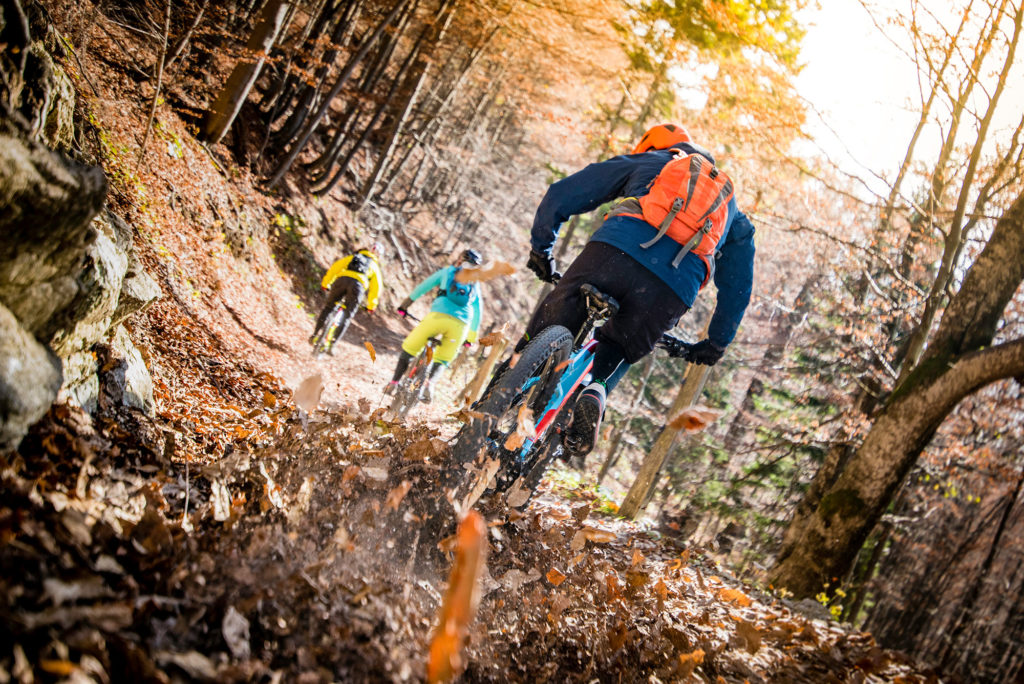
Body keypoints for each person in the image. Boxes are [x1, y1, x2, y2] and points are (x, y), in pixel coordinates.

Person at [522, 123, 755, 457]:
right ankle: (595, 390)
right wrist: (716, 342)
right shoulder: (730, 210)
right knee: (619, 346)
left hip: (613, 254)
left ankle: (494, 403)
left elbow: (563, 193)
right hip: (671, 288)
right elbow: (738, 286)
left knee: (551, 321)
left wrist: (541, 249)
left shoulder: (653, 162)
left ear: (652, 147)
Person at [387, 249, 485, 402]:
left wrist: (404, 306)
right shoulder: (475, 285)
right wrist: (470, 338)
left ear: (459, 260)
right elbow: (477, 312)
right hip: (460, 326)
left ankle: (394, 383)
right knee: (443, 359)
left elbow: (423, 287)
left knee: (410, 348)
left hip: (437, 317)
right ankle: (429, 384)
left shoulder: (448, 272)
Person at [310, 242, 384, 349]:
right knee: (347, 316)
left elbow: (335, 268)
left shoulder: (353, 257)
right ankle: (332, 345)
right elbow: (376, 288)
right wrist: (371, 306)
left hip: (342, 281)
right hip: (357, 288)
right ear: (378, 256)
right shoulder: (374, 266)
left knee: (329, 307)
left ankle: (315, 334)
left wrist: (326, 283)